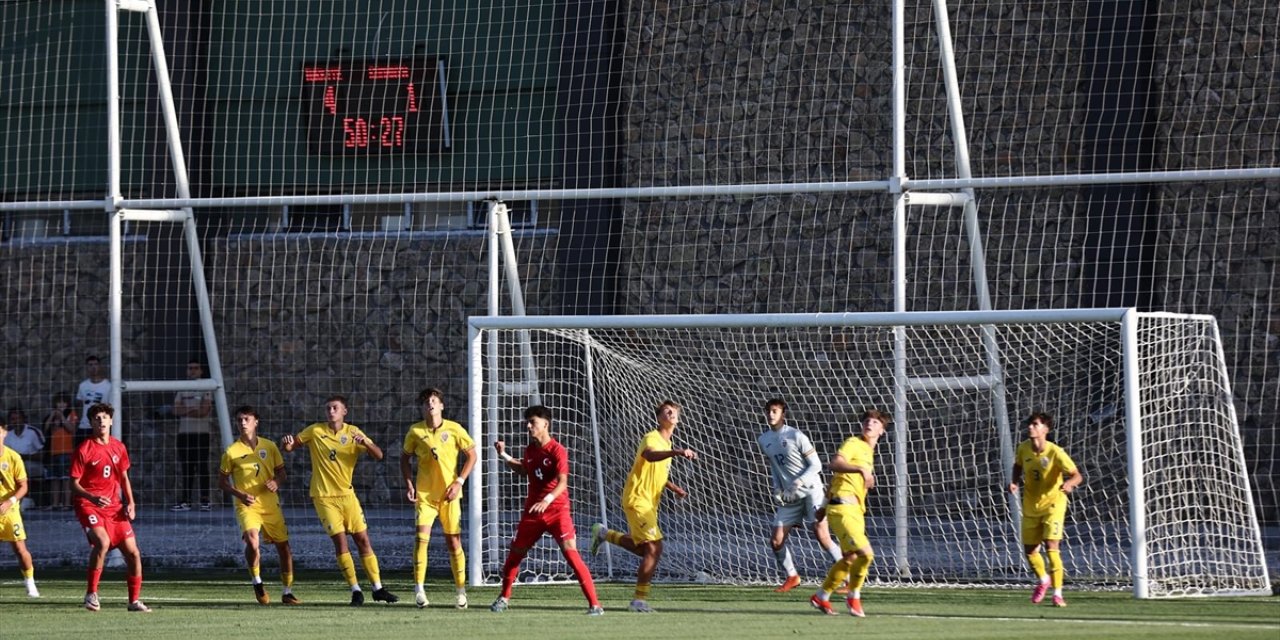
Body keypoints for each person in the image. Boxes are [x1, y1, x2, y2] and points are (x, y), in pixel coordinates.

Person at [282, 395, 397, 606]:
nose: (330, 411)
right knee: (341, 541)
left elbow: (379, 454)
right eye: (328, 408)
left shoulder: (354, 432)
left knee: (363, 540)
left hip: (348, 496)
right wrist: (288, 444)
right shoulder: (315, 431)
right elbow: (292, 446)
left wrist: (365, 443)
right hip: (324, 497)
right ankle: (355, 590)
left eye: (335, 407)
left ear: (345, 411)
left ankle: (378, 588)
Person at [489, 405, 603, 616]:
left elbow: (563, 482)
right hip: (534, 512)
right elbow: (524, 469)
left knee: (571, 554)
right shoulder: (530, 450)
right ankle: (504, 598)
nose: (528, 426)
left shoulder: (557, 450)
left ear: (545, 424)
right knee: (515, 554)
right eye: (528, 422)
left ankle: (595, 605)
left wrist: (548, 500)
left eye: (533, 422)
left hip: (557, 511)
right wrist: (503, 454)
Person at [589, 400, 698, 613]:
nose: (671, 413)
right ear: (659, 418)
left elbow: (658, 473)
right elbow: (648, 455)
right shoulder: (652, 438)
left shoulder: (666, 444)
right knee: (655, 548)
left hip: (649, 503)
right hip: (638, 498)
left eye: (674, 411)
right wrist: (676, 452)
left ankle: (604, 533)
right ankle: (638, 601)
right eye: (667, 411)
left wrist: (674, 488)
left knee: (644, 549)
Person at [755, 398, 844, 592]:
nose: (771, 414)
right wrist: (777, 488)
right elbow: (775, 466)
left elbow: (817, 465)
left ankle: (846, 576)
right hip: (790, 496)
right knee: (776, 540)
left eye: (775, 411)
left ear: (783, 414)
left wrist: (798, 482)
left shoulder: (796, 435)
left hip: (811, 490)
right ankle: (792, 576)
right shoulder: (763, 439)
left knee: (821, 535)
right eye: (769, 411)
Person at [399, 387, 476, 609]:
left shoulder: (454, 429)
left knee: (453, 542)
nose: (430, 404)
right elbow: (404, 458)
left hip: (450, 496)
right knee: (421, 538)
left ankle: (461, 592)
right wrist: (409, 483)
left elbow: (472, 455)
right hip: (425, 495)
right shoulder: (415, 431)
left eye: (433, 401)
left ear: (441, 405)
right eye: (425, 402)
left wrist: (459, 481)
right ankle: (419, 590)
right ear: (422, 408)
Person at [809, 408, 888, 618]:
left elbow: (836, 481)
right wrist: (861, 470)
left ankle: (821, 596)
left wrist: (823, 508)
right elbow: (834, 464)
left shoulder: (868, 454)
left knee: (851, 559)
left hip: (853, 511)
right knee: (867, 554)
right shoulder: (854, 443)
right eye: (867, 421)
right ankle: (854, 597)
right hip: (843, 510)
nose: (870, 424)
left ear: (882, 431)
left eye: (875, 422)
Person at [70, 403, 150, 612]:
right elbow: (74, 484)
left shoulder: (118, 447)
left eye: (104, 417)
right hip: (88, 504)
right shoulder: (84, 449)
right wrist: (92, 497)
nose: (101, 421)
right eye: (97, 418)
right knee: (102, 542)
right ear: (91, 423)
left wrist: (130, 502)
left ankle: (133, 601)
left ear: (111, 421)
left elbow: (123, 477)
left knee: (133, 553)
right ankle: (91, 594)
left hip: (114, 507)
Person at [218, 405, 300, 605]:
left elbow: (282, 473)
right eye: (239, 420)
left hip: (271, 505)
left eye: (247, 419)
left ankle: (287, 591)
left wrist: (276, 482)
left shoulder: (269, 446)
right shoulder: (232, 451)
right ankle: (257, 582)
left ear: (256, 422)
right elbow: (221, 482)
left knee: (284, 548)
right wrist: (239, 494)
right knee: (253, 542)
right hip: (247, 506)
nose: (243, 423)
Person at [1008, 411, 1082, 608]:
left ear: (1045, 430)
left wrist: (1070, 485)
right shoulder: (1023, 448)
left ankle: (1058, 594)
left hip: (1054, 505)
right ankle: (1043, 579)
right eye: (1030, 424)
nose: (1030, 427)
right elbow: (1017, 465)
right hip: (1031, 505)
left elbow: (1077, 475)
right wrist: (1014, 482)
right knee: (1030, 551)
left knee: (1051, 548)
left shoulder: (1056, 452)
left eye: (1035, 424)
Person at [0, 416, 41, 597]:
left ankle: (30, 584)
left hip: (9, 510)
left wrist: (10, 502)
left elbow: (23, 486)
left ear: (4, 432)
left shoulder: (13, 457)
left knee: (19, 549)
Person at [172, 359, 215, 512]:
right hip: (184, 434)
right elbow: (176, 410)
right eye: (190, 368)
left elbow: (204, 411)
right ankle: (186, 501)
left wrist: (187, 410)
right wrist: (193, 410)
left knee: (202, 467)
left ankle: (205, 500)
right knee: (186, 468)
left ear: (201, 370)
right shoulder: (182, 388)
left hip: (201, 434)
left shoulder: (206, 387)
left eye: (196, 368)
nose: (192, 371)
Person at [6, 408, 45, 510]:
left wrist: (23, 457)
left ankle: (25, 500)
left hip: (32, 464)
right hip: (13, 465)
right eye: (13, 419)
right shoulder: (8, 435)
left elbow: (44, 454)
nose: (16, 421)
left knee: (23, 469)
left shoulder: (33, 432)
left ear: (24, 419)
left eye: (18, 418)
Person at [42, 393, 76, 510]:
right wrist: (52, 417)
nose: (61, 405)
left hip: (66, 451)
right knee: (54, 479)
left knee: (66, 478)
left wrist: (62, 417)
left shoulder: (70, 414)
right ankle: (55, 504)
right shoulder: (51, 416)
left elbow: (72, 429)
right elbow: (45, 429)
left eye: (64, 402)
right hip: (53, 452)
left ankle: (66, 504)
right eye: (59, 402)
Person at [74, 355, 111, 448]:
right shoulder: (83, 386)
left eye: (96, 364)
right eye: (90, 365)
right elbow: (79, 405)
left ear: (100, 366)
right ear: (87, 367)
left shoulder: (108, 386)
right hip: (84, 426)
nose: (93, 367)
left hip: (100, 426)